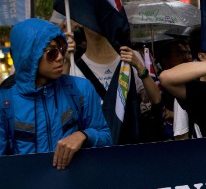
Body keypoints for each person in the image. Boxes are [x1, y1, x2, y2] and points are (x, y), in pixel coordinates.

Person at [1, 18, 111, 169]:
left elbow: (106, 137)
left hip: (75, 187)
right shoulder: (5, 103)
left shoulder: (81, 89)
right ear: (29, 56)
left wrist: (84, 136)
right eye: (51, 52)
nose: (60, 57)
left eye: (61, 49)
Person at [69, 26, 161, 144]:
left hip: (132, 144)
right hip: (99, 147)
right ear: (80, 23)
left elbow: (156, 99)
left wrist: (139, 66)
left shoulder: (130, 57)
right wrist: (66, 62)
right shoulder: (75, 68)